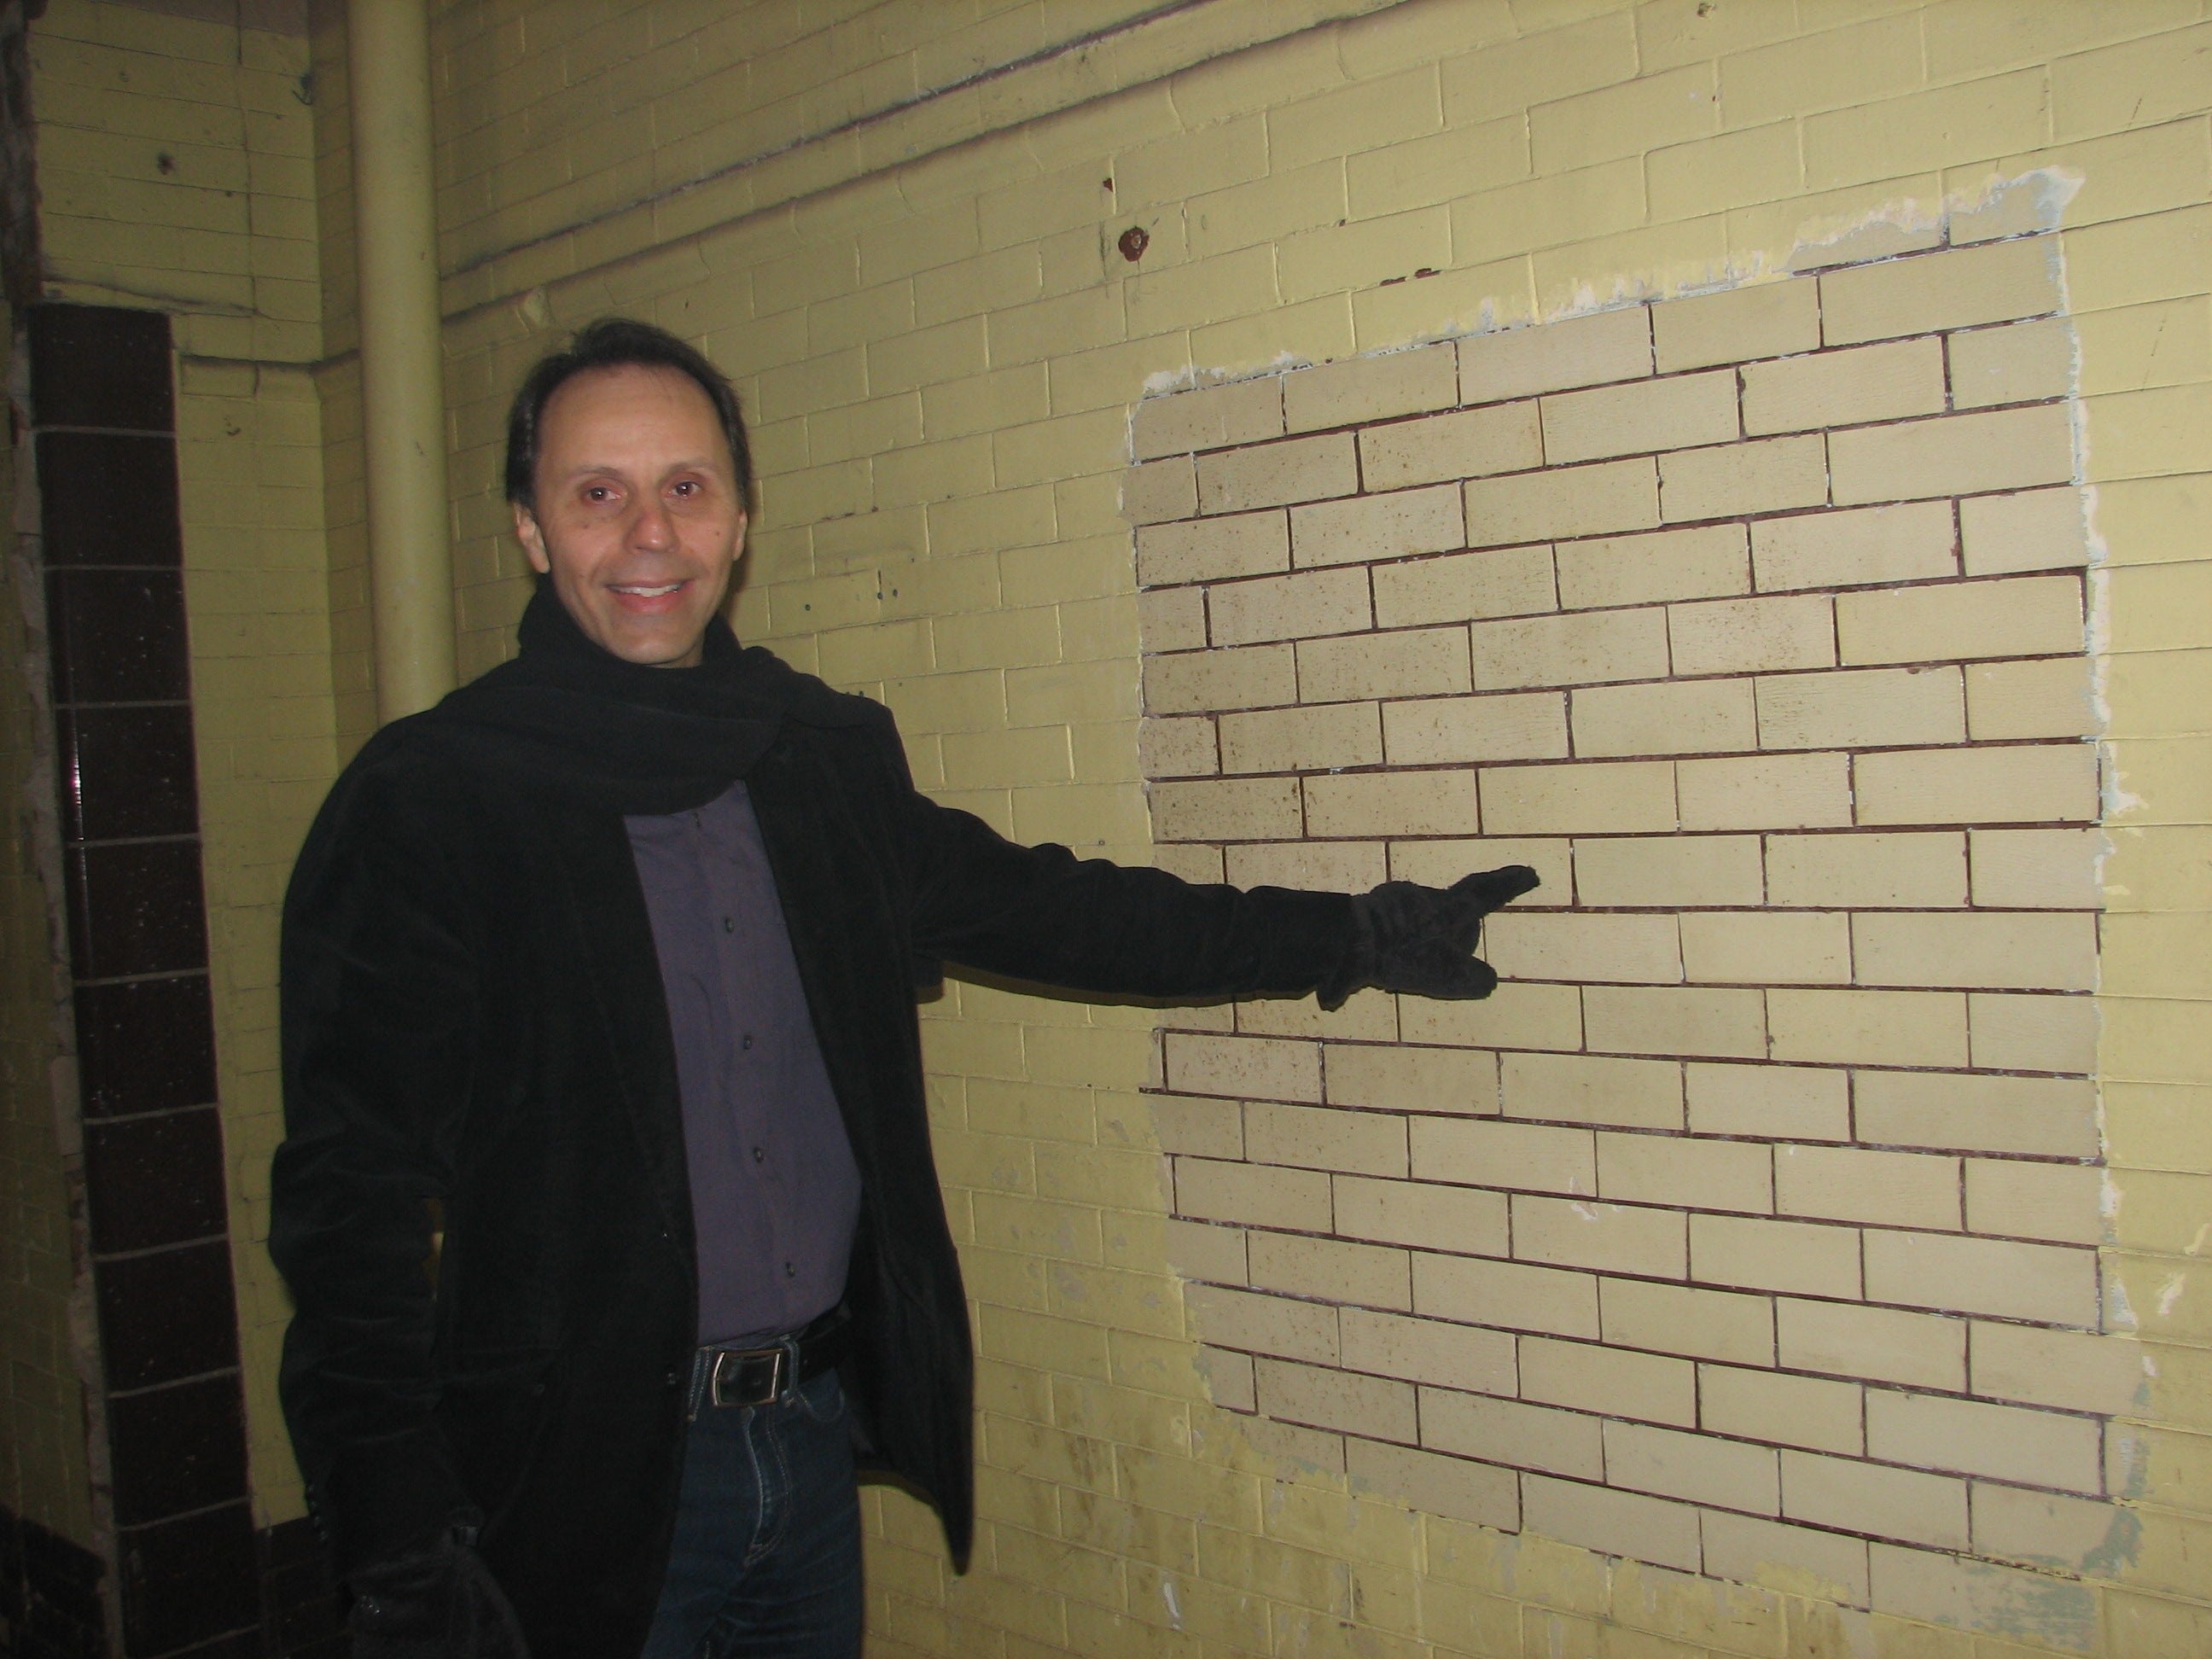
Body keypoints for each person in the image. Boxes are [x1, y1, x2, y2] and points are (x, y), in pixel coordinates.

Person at [268, 317, 1539, 1659]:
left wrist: (1353, 934)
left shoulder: (815, 763)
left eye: (685, 489)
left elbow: (1064, 912)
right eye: (598, 493)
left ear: (740, 520)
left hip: (807, 1447)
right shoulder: (432, 803)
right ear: (531, 527)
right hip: (570, 1478)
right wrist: (398, 1548)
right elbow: (347, 1209)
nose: (649, 535)